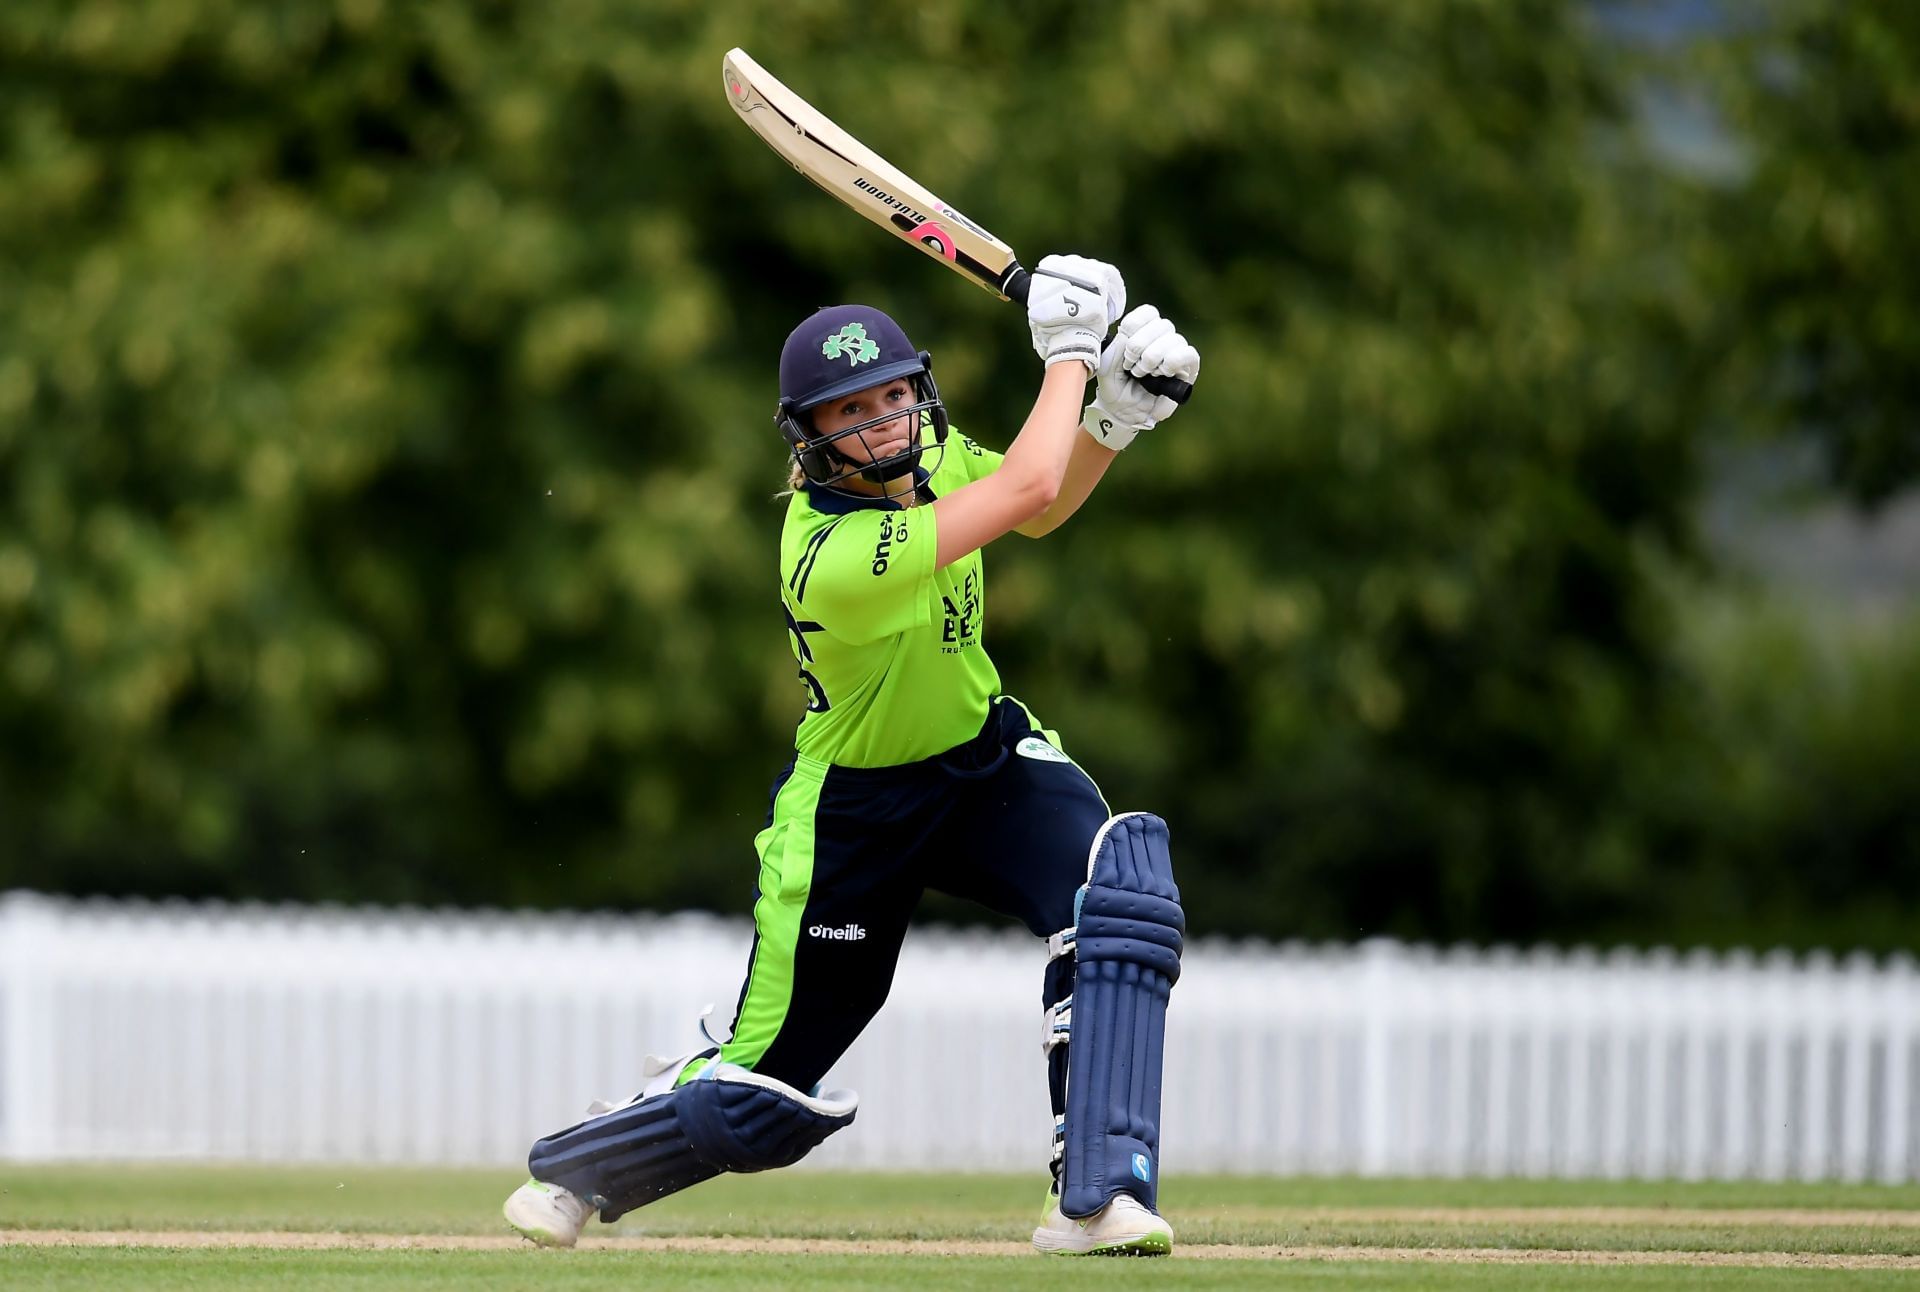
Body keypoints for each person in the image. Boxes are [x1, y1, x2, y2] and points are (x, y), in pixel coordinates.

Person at [503, 254, 1201, 1256]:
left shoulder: (933, 451)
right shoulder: (826, 555)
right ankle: (583, 1165)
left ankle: (1097, 1195)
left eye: (892, 395)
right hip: (854, 814)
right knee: (766, 1103)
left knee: (1116, 890)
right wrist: (1073, 358)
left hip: (980, 761)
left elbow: (1041, 504)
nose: (881, 422)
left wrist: (1113, 419)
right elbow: (1027, 483)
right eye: (849, 410)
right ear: (810, 436)